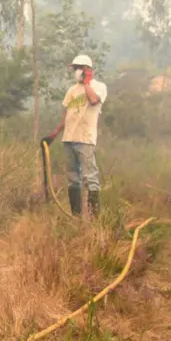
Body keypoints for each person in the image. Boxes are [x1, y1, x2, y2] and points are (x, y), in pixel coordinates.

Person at [42, 54, 108, 218]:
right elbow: (67, 115)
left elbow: (93, 100)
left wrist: (86, 83)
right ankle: (76, 217)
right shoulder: (71, 90)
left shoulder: (99, 87)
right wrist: (54, 134)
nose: (76, 71)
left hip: (85, 139)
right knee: (73, 179)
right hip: (69, 139)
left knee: (90, 178)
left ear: (87, 70)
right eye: (75, 68)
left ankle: (94, 220)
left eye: (79, 68)